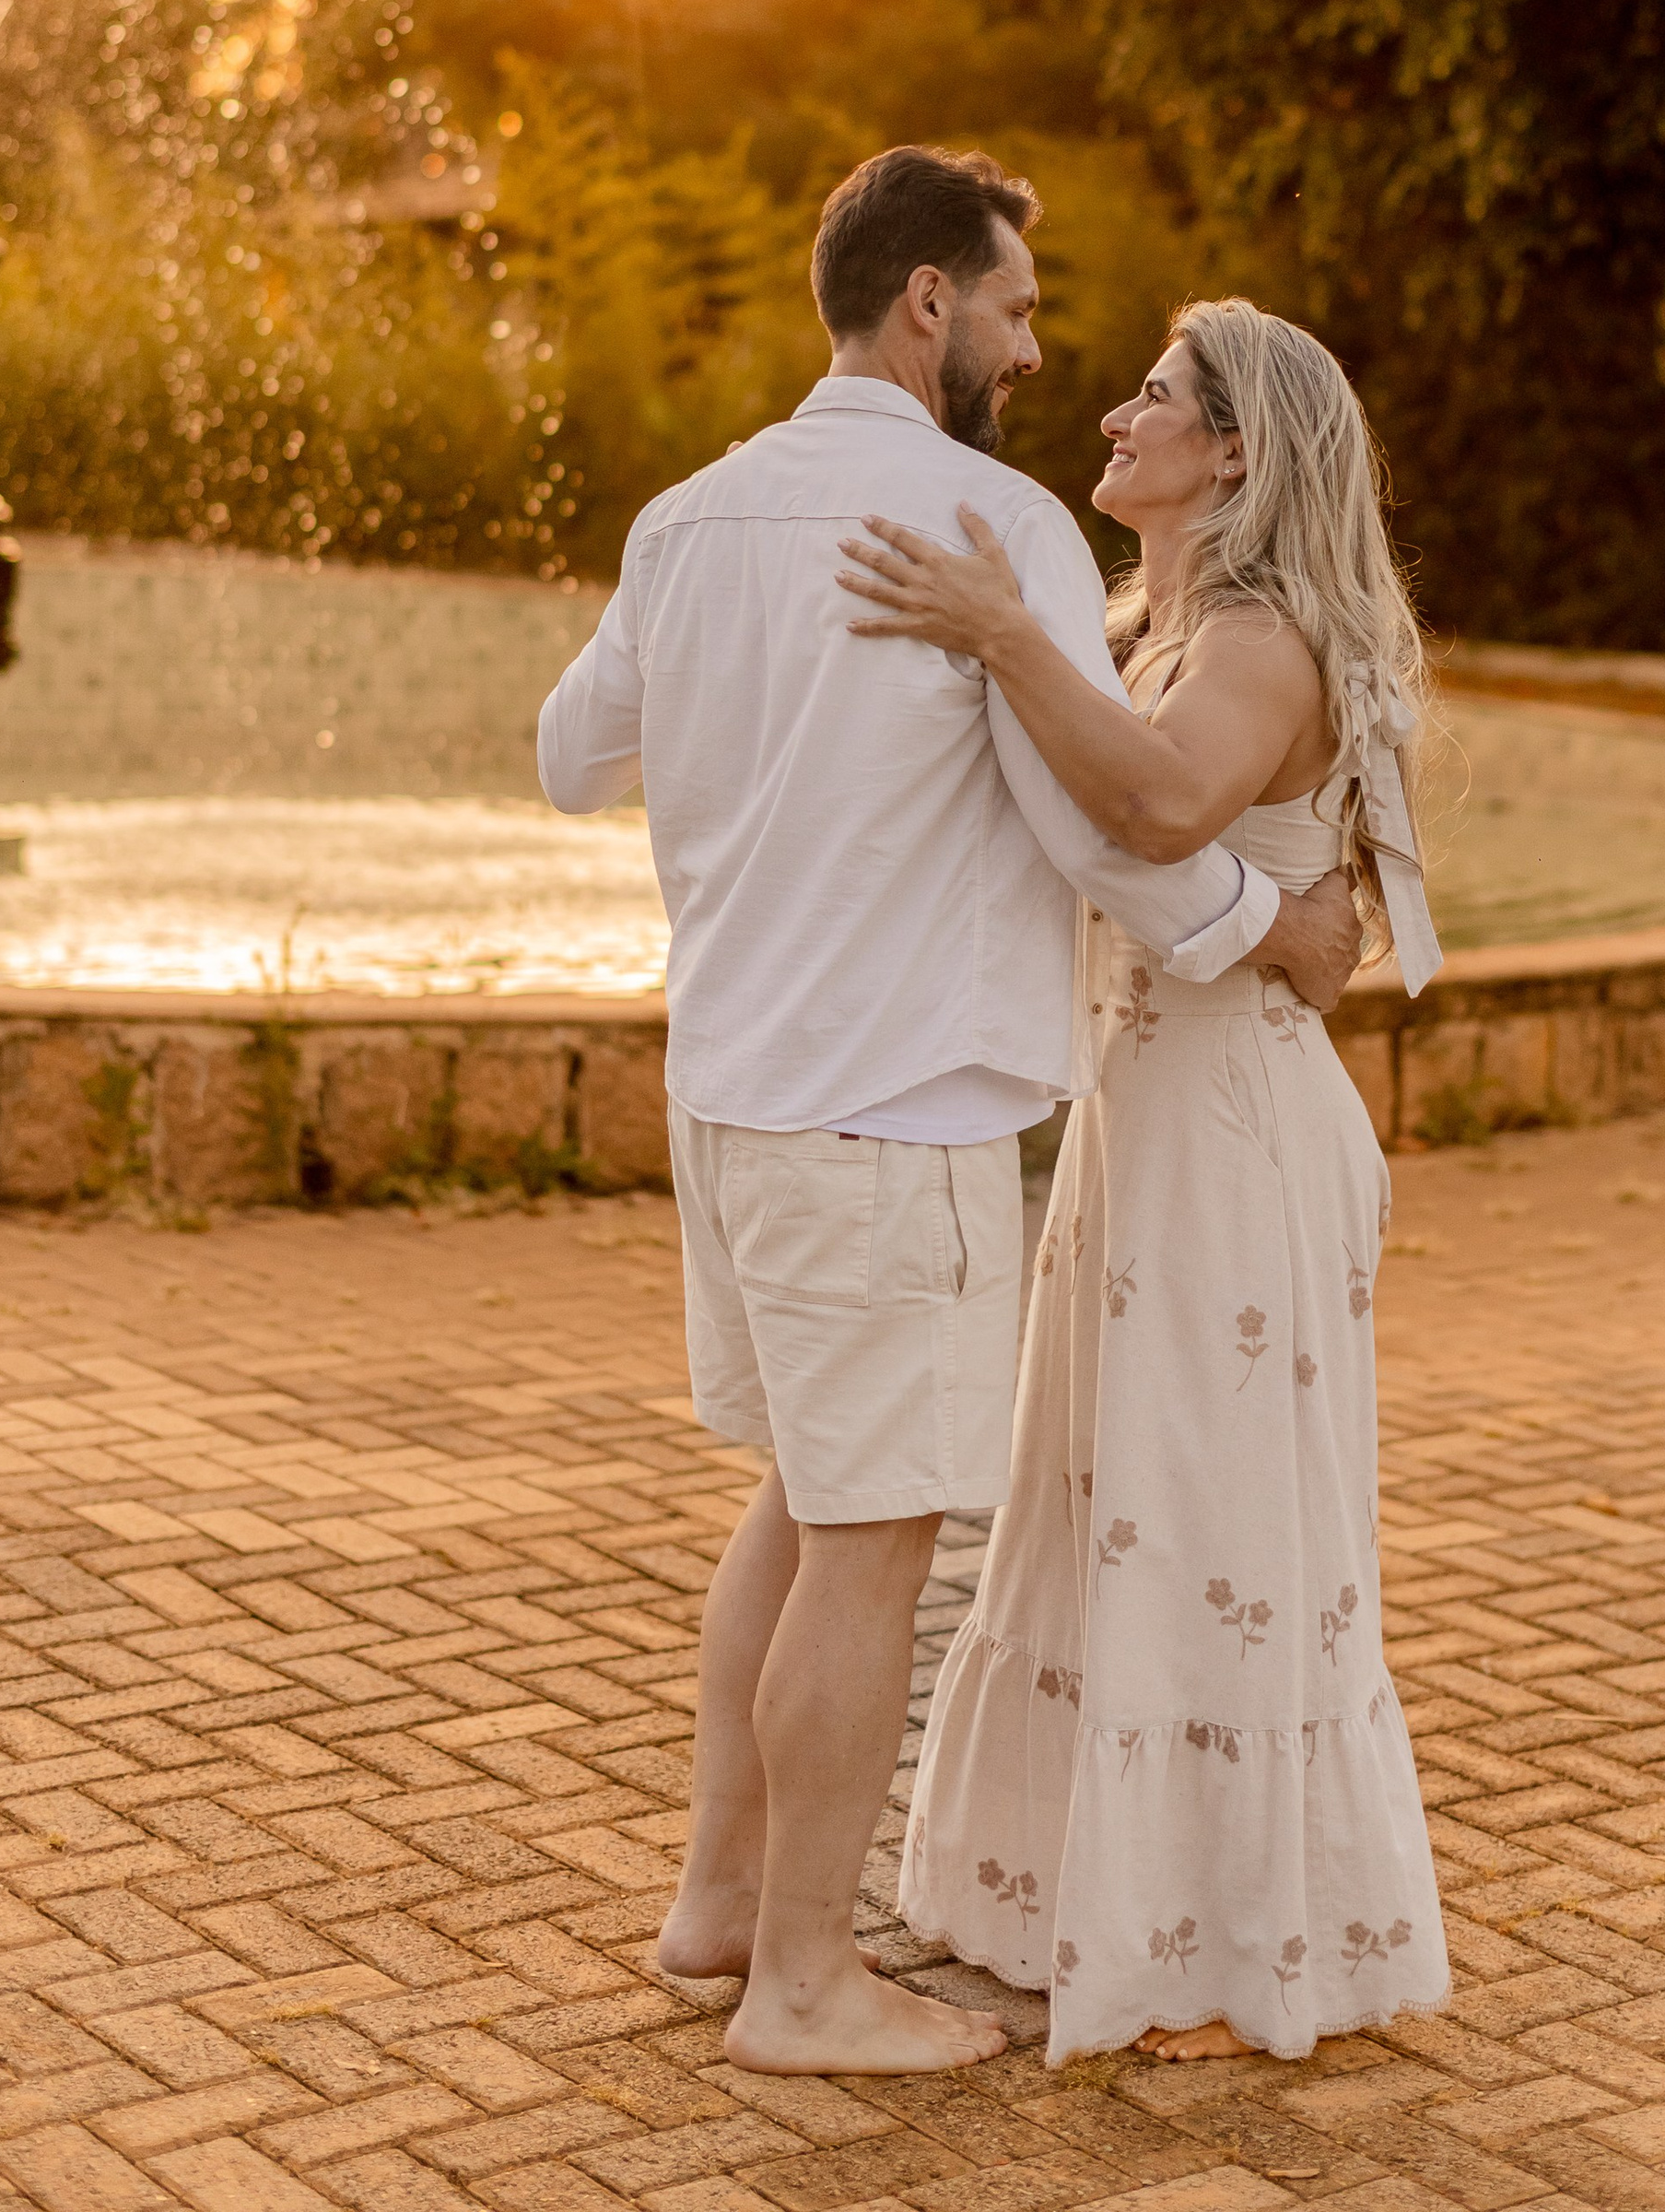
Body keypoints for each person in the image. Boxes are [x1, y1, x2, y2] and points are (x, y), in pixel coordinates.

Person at [536, 154, 1364, 2078]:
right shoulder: (987, 524)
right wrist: (1283, 928)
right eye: (1007, 306)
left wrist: (758, 717)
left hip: (729, 1106)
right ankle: (805, 1987)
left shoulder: (687, 518)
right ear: (924, 304)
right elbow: (1114, 833)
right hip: (891, 1116)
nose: (1030, 343)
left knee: (807, 1503)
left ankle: (720, 1902)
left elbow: (571, 756)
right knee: (877, 1535)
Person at [840, 297, 1450, 2065]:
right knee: (1113, 1507)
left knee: (1212, 1524)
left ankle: (1233, 1946)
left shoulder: (1260, 635)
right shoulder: (1143, 622)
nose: (1116, 412)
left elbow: (1171, 805)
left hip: (1237, 1144)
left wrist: (995, 626)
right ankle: (1110, 1902)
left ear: (1238, 451)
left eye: (1160, 399)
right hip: (1137, 1123)